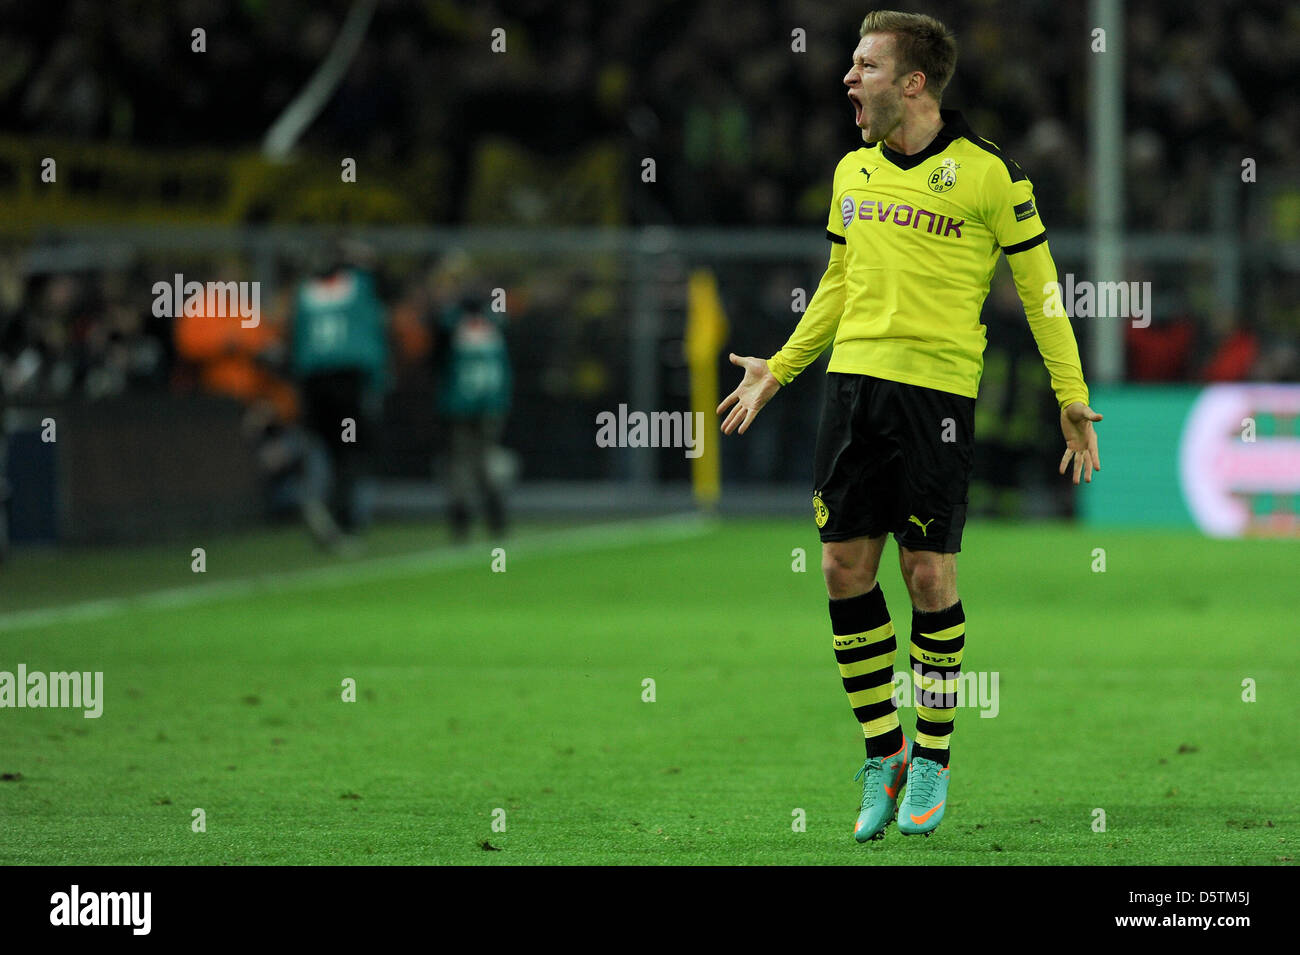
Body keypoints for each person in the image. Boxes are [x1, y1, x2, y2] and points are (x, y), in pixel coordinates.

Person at [717, 10, 1102, 842]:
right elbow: (837, 282)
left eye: (865, 66)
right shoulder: (851, 170)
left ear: (913, 82)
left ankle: (933, 754)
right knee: (841, 567)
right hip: (853, 390)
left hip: (937, 402)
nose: (848, 79)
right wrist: (781, 367)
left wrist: (1068, 393)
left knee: (929, 578)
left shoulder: (991, 174)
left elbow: (1041, 292)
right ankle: (882, 749)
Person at [288, 243, 390, 549]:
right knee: (351, 451)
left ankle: (318, 503)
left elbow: (297, 340)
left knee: (322, 448)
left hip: (315, 382)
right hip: (348, 380)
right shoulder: (359, 286)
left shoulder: (304, 293)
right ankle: (344, 517)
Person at [431, 293, 512, 543]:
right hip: (490, 405)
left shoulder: (452, 330)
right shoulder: (495, 329)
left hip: (459, 405)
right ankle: (496, 517)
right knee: (487, 459)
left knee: (462, 464)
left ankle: (462, 521)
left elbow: (436, 353)